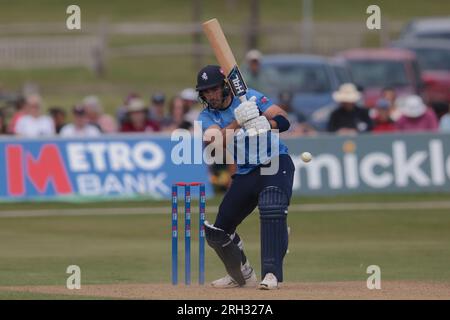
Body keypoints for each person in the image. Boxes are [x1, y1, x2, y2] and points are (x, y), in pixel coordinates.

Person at [196, 65, 295, 290]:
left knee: (272, 207)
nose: (210, 95)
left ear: (224, 86)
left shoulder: (250, 97)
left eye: (213, 89)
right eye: (205, 92)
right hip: (246, 170)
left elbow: (284, 120)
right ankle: (241, 275)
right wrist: (239, 121)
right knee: (218, 233)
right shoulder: (205, 116)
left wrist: (266, 123)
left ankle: (271, 274)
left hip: (275, 162)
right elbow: (215, 143)